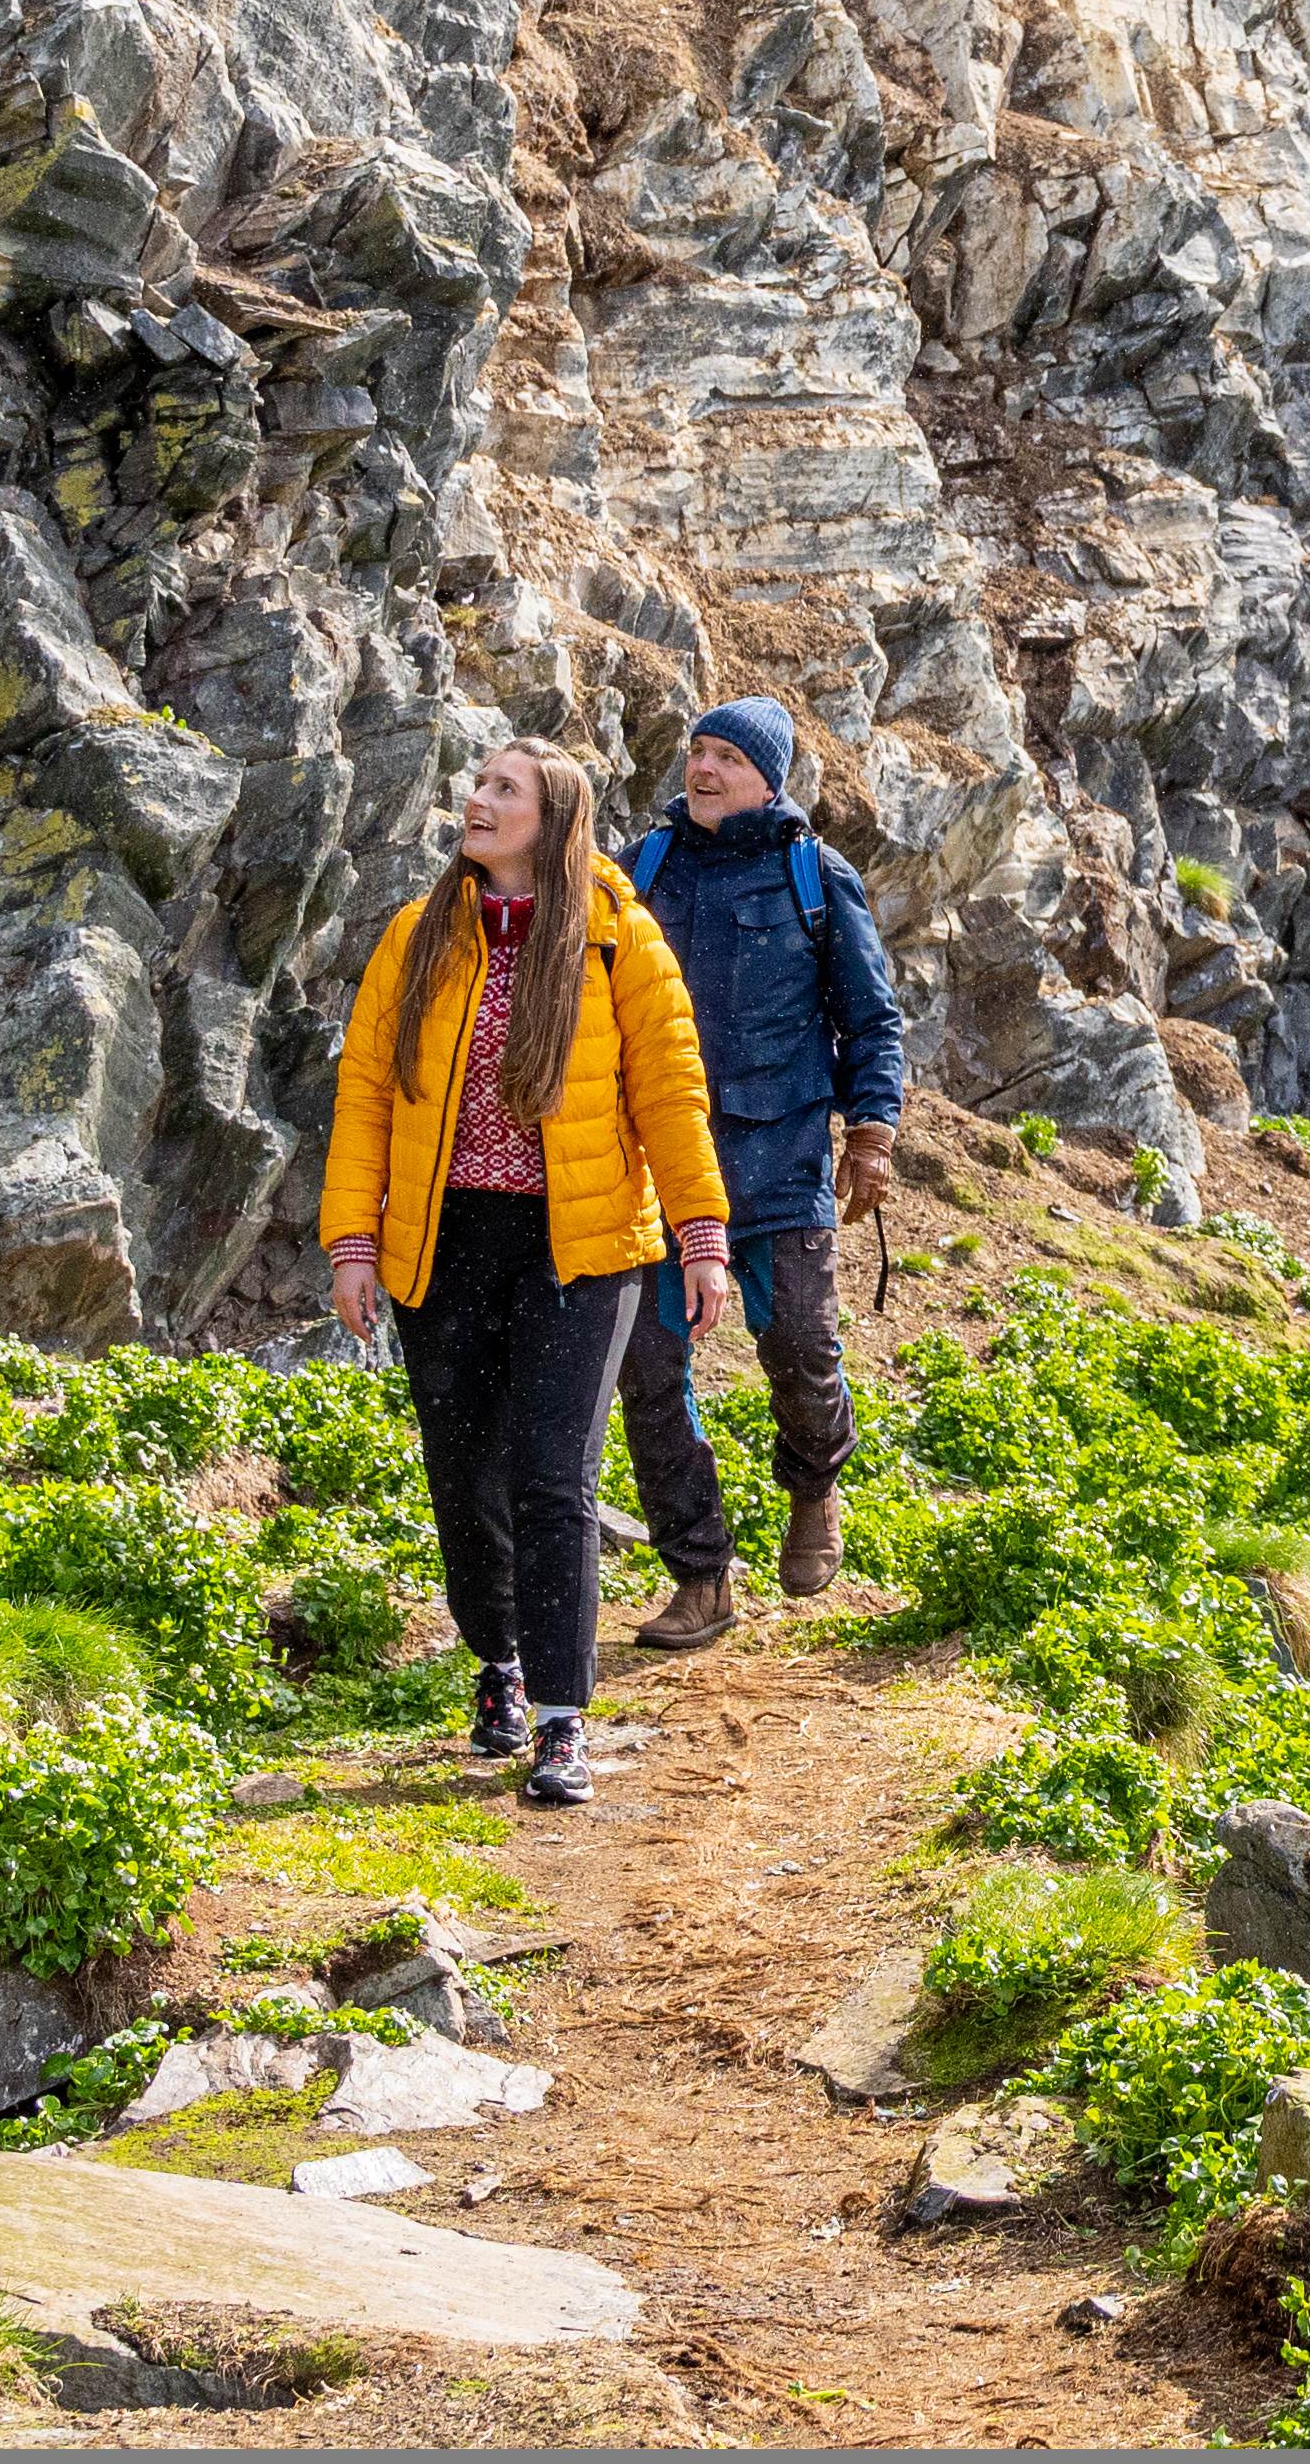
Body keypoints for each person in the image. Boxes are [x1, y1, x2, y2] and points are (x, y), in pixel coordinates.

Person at [326, 743, 720, 1805]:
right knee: (464, 1474)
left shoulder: (614, 940)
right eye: (477, 783)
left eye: (504, 789)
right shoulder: (417, 937)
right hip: (440, 1243)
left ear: (555, 819)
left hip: (580, 1249)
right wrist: (354, 1242)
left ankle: (559, 1718)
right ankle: (494, 1663)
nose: (477, 798)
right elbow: (366, 1090)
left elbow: (671, 1098)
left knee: (554, 1480)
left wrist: (701, 1233)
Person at [608, 695, 908, 1645]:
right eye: (696, 751)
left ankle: (816, 1486)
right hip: (656, 1167)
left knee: (803, 1354)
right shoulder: (639, 869)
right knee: (649, 1374)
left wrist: (871, 1133)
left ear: (768, 779)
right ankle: (701, 1575)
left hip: (779, 1163)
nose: (702, 769)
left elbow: (872, 1018)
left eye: (726, 757)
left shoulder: (816, 875)